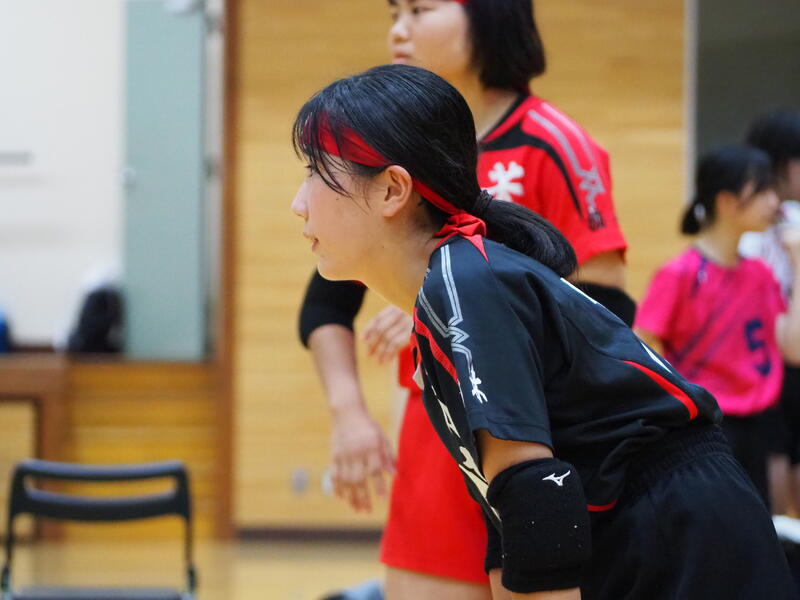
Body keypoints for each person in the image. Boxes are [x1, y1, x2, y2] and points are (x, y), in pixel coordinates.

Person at [291, 64, 795, 599]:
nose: (298, 203)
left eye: (317, 173)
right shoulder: (452, 289)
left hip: (683, 531)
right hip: (646, 527)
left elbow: (536, 493)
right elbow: (509, 514)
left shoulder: (466, 281)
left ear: (393, 190)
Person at [298, 2, 631, 596]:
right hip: (434, 429)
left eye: (420, 9)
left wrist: (451, 306)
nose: (398, 29)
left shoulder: (554, 142)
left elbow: (604, 309)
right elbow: (324, 304)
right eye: (394, 12)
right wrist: (349, 415)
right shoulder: (388, 145)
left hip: (529, 430)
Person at [635, 144, 800, 508]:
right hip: (705, 429)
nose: (775, 202)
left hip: (758, 427)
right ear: (726, 201)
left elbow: (795, 349)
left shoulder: (760, 273)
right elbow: (638, 347)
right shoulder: (680, 275)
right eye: (762, 190)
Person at [739, 107, 800, 515]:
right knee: (772, 493)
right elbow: (788, 346)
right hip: (767, 374)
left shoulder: (795, 218)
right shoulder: (750, 236)